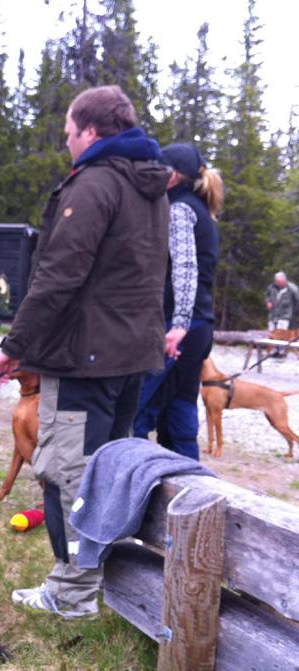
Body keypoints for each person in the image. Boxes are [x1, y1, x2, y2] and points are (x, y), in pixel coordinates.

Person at [0, 85, 169, 619]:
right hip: (132, 355)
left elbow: (58, 274)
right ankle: (110, 583)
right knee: (110, 472)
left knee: (72, 472)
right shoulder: (151, 188)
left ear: (89, 132)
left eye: (68, 133)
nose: (66, 142)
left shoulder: (95, 184)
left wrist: (15, 346)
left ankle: (72, 594)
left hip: (85, 357)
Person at [134, 144, 223, 459]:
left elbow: (185, 268)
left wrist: (179, 323)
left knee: (138, 410)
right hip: (200, 324)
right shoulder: (201, 210)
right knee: (179, 409)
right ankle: (190, 488)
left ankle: (137, 484)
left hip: (180, 325)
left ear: (173, 175)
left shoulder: (180, 209)